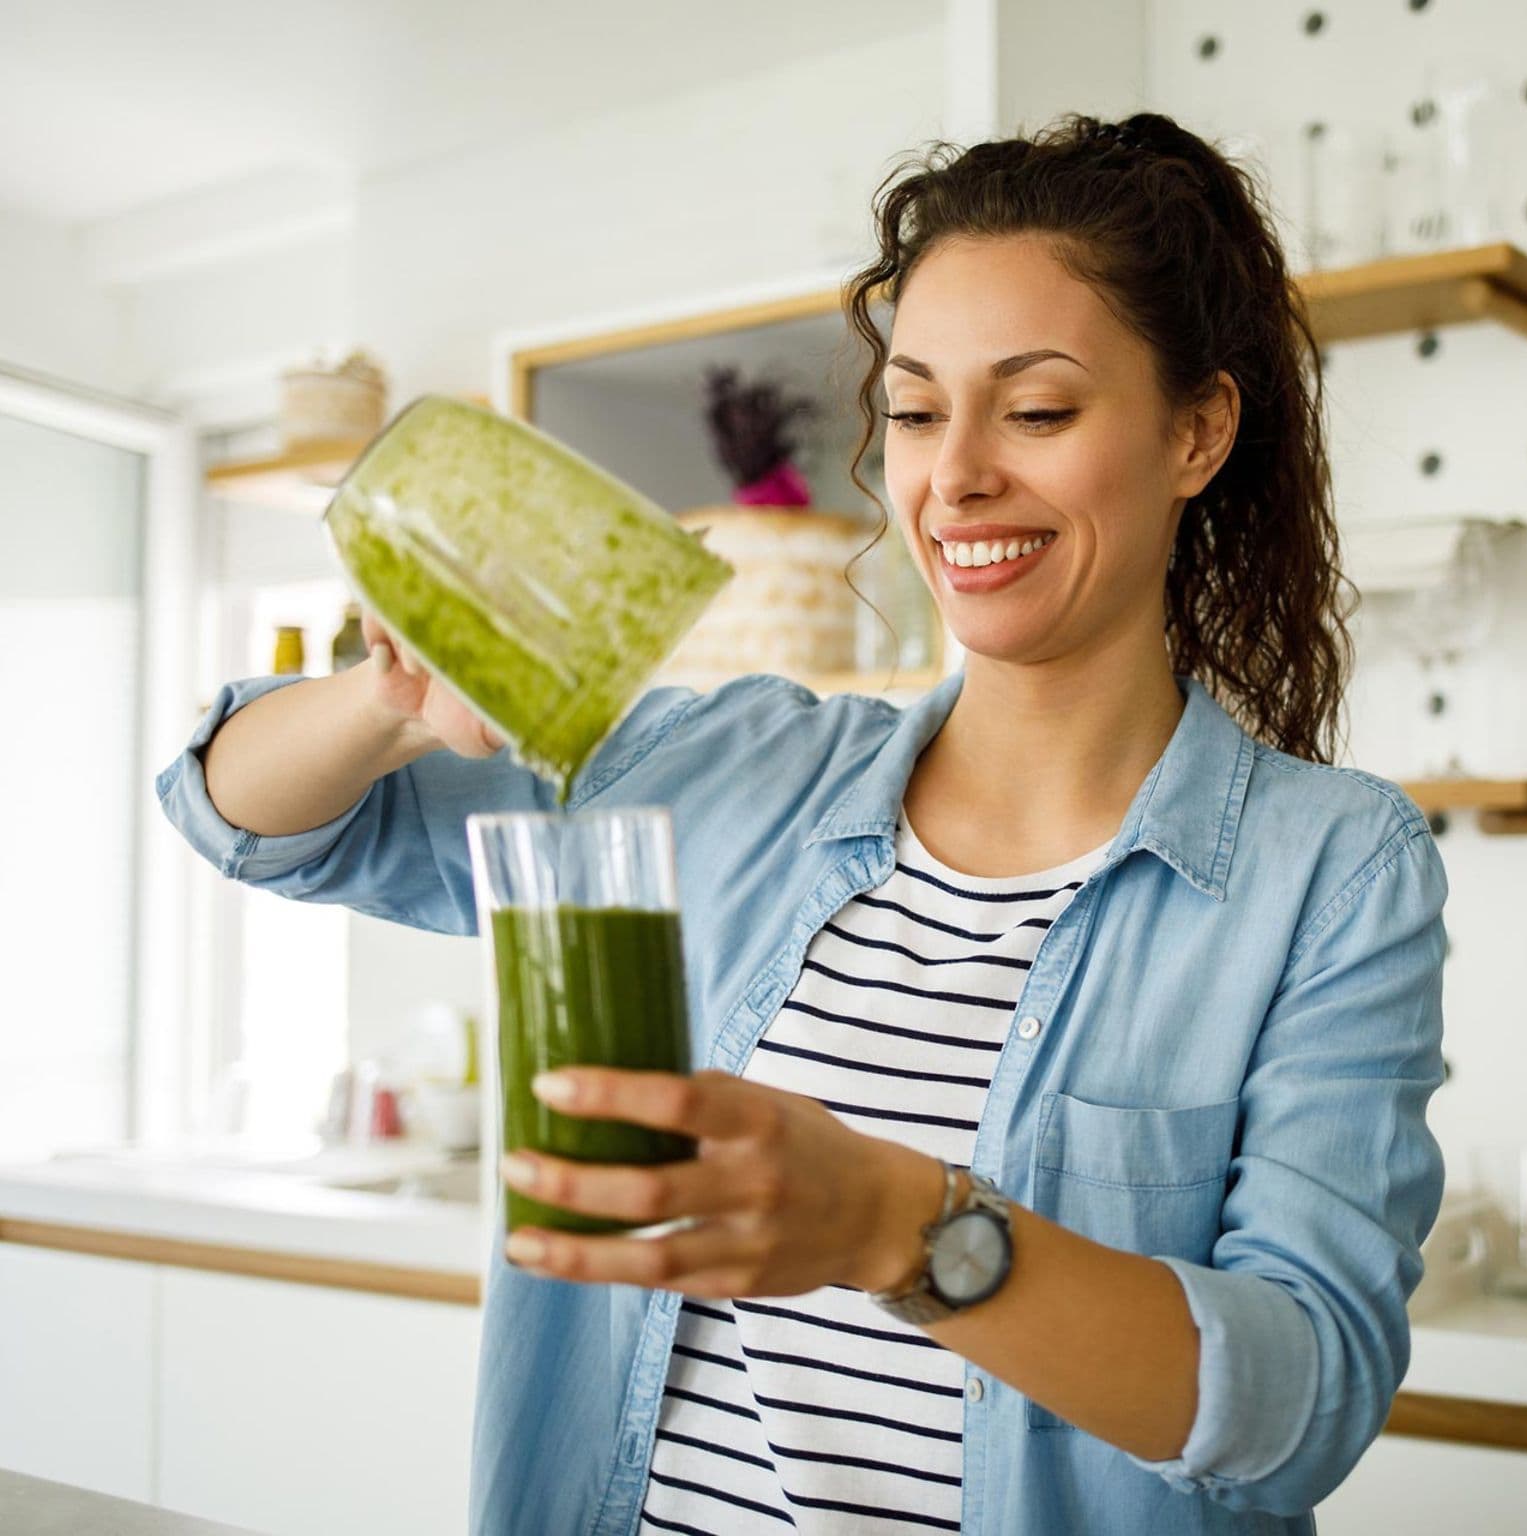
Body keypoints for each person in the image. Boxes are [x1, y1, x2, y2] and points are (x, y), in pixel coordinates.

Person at [158, 110, 1447, 1536]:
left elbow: (1301, 1403)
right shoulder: (722, 770)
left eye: (1036, 409)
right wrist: (387, 699)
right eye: (912, 409)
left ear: (1195, 431)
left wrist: (899, 1229)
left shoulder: (1328, 871)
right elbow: (245, 817)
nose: (953, 475)